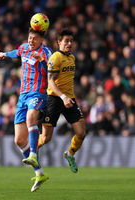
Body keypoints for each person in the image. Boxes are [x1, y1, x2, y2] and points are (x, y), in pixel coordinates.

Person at [0, 28, 52, 192]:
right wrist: (5, 54)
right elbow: (17, 52)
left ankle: (33, 155)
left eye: (34, 38)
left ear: (41, 40)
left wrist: (41, 59)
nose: (31, 41)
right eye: (29, 37)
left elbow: (52, 67)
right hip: (22, 96)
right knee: (19, 140)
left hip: (38, 93)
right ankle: (40, 173)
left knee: (31, 118)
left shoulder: (46, 51)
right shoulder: (24, 48)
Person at [38, 29, 86, 173]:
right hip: (54, 99)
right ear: (59, 42)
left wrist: (68, 97)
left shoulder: (72, 58)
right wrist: (63, 97)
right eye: (66, 41)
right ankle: (30, 150)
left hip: (69, 99)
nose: (69, 43)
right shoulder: (56, 57)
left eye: (71, 41)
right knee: (46, 138)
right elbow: (51, 82)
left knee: (81, 133)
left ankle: (70, 154)